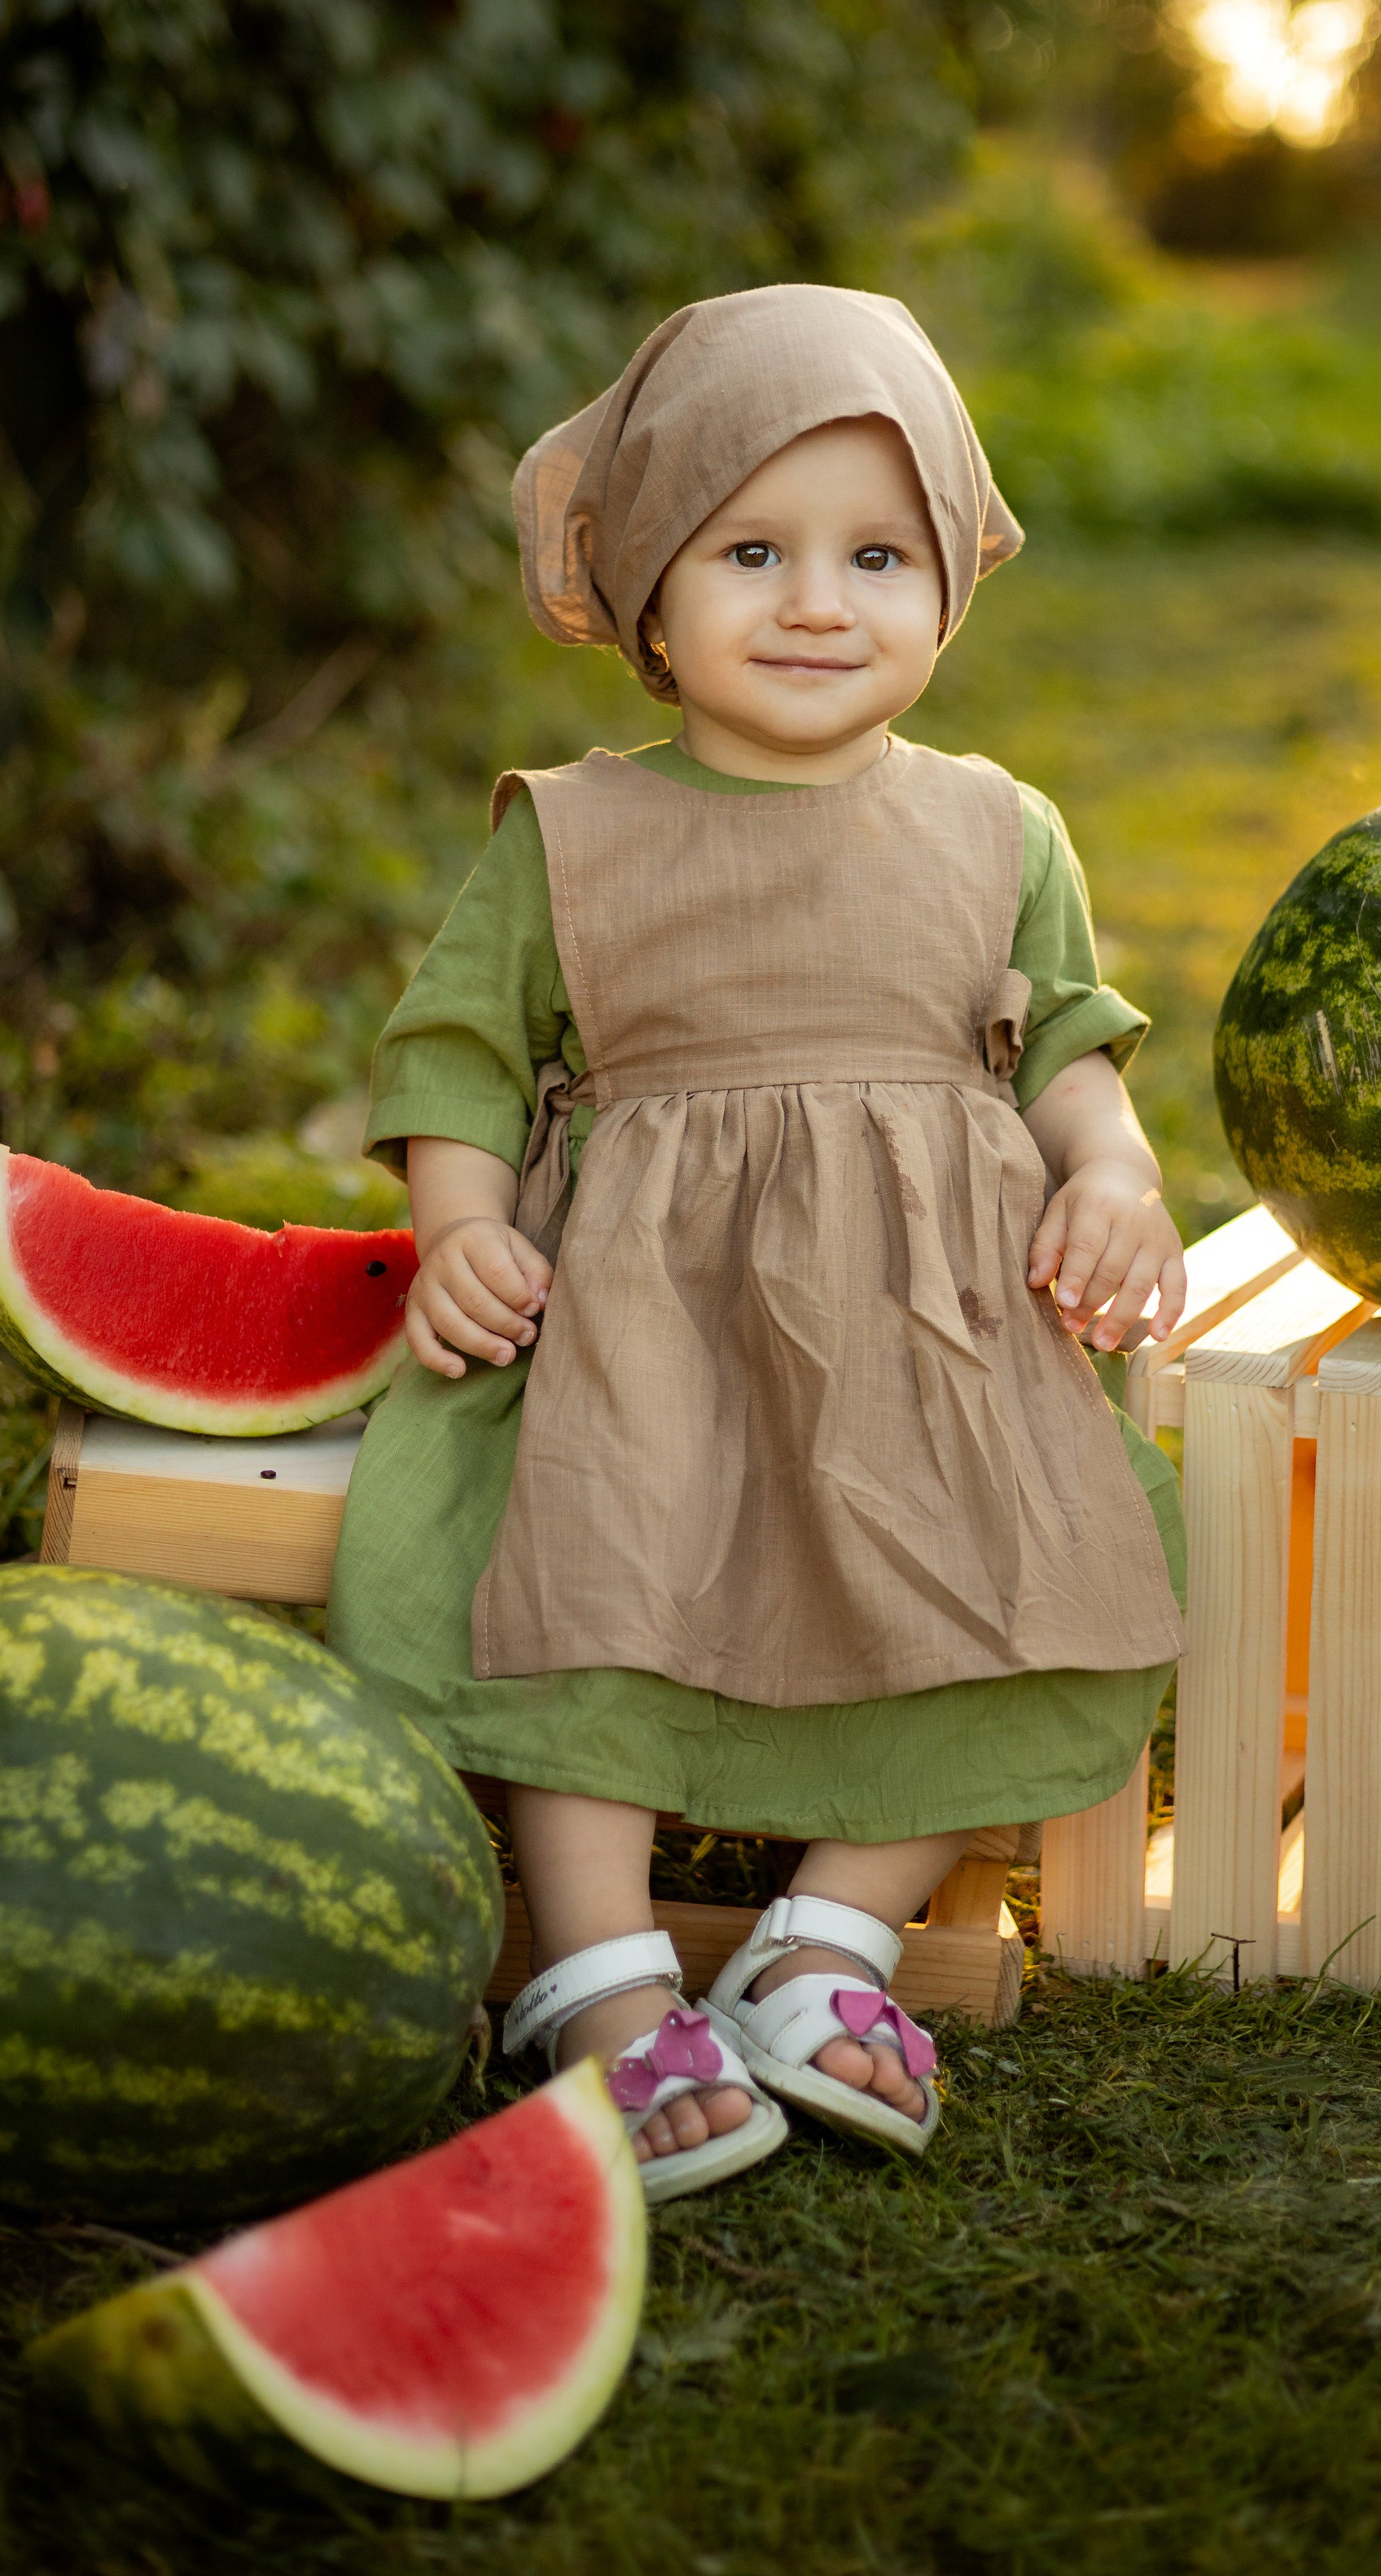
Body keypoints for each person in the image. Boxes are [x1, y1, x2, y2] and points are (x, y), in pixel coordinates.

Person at [328, 283, 1188, 2205]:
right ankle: (603, 1978)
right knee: (586, 1595)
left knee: (1011, 1583)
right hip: (647, 1322)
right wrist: (460, 1217)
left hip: (926, 1323)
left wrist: (1110, 1170)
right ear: (647, 594)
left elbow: (1063, 1038)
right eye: (750, 551)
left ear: (947, 584)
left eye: (876, 555)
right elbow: (460, 1055)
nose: (817, 602)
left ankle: (829, 1944)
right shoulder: (573, 832)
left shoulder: (993, 826)